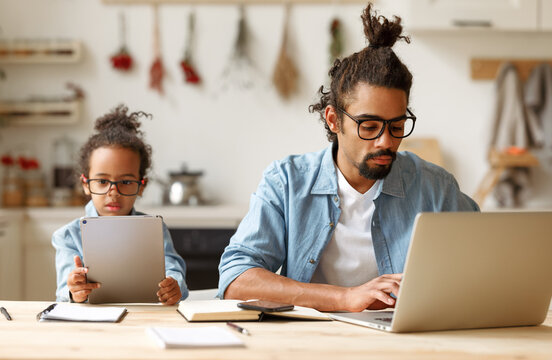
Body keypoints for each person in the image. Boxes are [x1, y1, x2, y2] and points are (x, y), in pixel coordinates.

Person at [218, 3, 479, 312]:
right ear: (333, 119)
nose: (386, 141)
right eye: (369, 126)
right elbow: (236, 279)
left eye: (396, 126)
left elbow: (484, 268)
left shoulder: (436, 187)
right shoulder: (287, 181)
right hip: (311, 341)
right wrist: (344, 297)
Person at [52, 105, 188, 305]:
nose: (113, 192)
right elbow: (65, 290)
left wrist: (174, 286)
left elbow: (173, 270)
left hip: (144, 318)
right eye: (102, 181)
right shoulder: (68, 235)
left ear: (142, 186)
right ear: (85, 184)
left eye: (125, 182)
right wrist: (74, 290)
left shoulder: (154, 229)